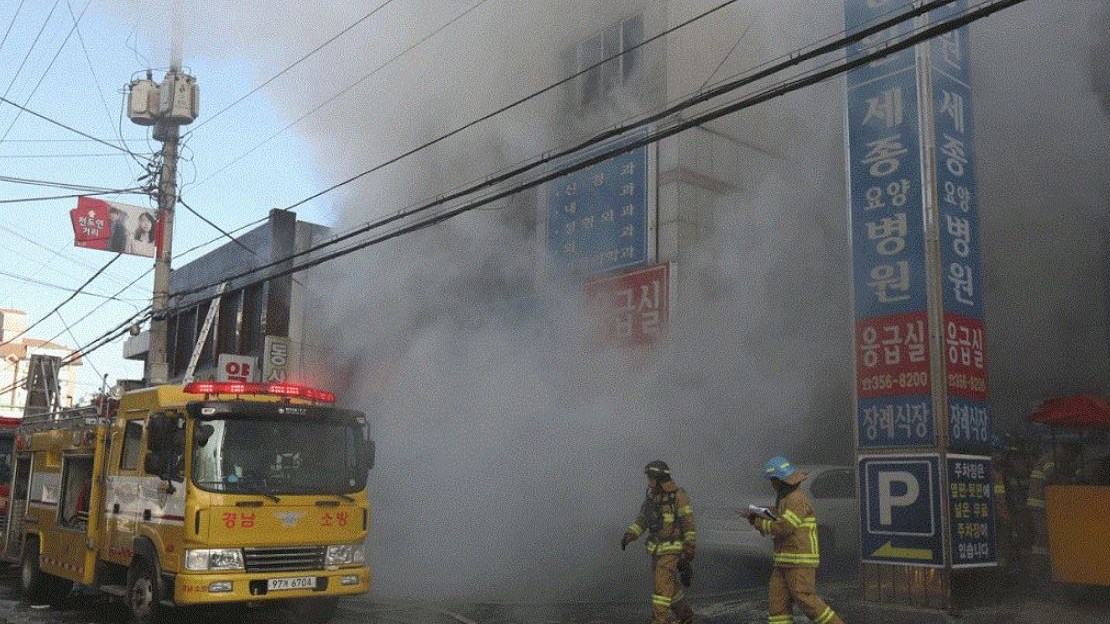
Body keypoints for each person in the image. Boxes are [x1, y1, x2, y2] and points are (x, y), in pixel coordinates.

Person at [748, 456, 844, 624]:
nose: (771, 485)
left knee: (806, 600)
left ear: (779, 480)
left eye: (772, 480)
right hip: (783, 561)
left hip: (799, 561)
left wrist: (759, 522)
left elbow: (784, 528)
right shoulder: (786, 498)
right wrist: (765, 514)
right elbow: (783, 521)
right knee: (778, 604)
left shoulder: (796, 499)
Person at [621, 460, 696, 624]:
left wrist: (690, 545)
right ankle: (685, 616)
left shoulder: (678, 496)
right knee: (671, 587)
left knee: (661, 589)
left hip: (671, 551)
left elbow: (688, 523)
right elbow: (642, 521)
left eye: (651, 478)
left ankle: (659, 620)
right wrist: (630, 534)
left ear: (660, 478)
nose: (649, 483)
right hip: (656, 551)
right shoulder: (651, 498)